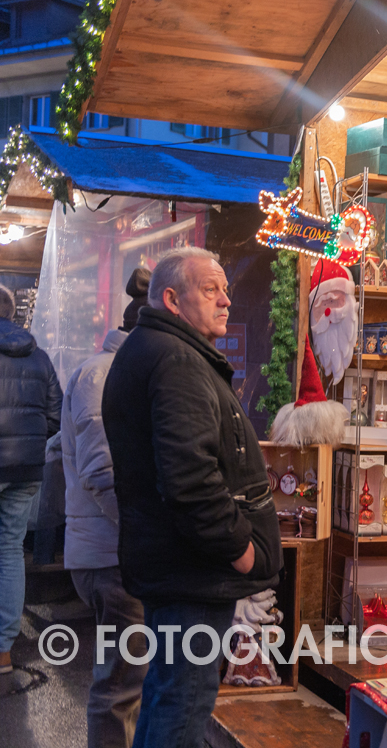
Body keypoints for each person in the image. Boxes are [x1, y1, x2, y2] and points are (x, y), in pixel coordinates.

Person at [103, 248, 282, 748]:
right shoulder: (177, 359)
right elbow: (190, 480)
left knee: (170, 696)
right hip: (192, 573)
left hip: (178, 567)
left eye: (224, 289)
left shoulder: (160, 350)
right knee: (181, 705)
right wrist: (241, 550)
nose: (226, 300)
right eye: (210, 290)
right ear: (172, 299)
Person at [63, 268, 150, 748]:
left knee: (131, 683)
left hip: (117, 552)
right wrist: (148, 533)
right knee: (120, 687)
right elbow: (101, 472)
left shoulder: (121, 371)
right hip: (113, 556)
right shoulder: (102, 374)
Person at [0, 284, 61, 674]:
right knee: (9, 550)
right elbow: (55, 415)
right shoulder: (39, 357)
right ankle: (3, 649)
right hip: (26, 469)